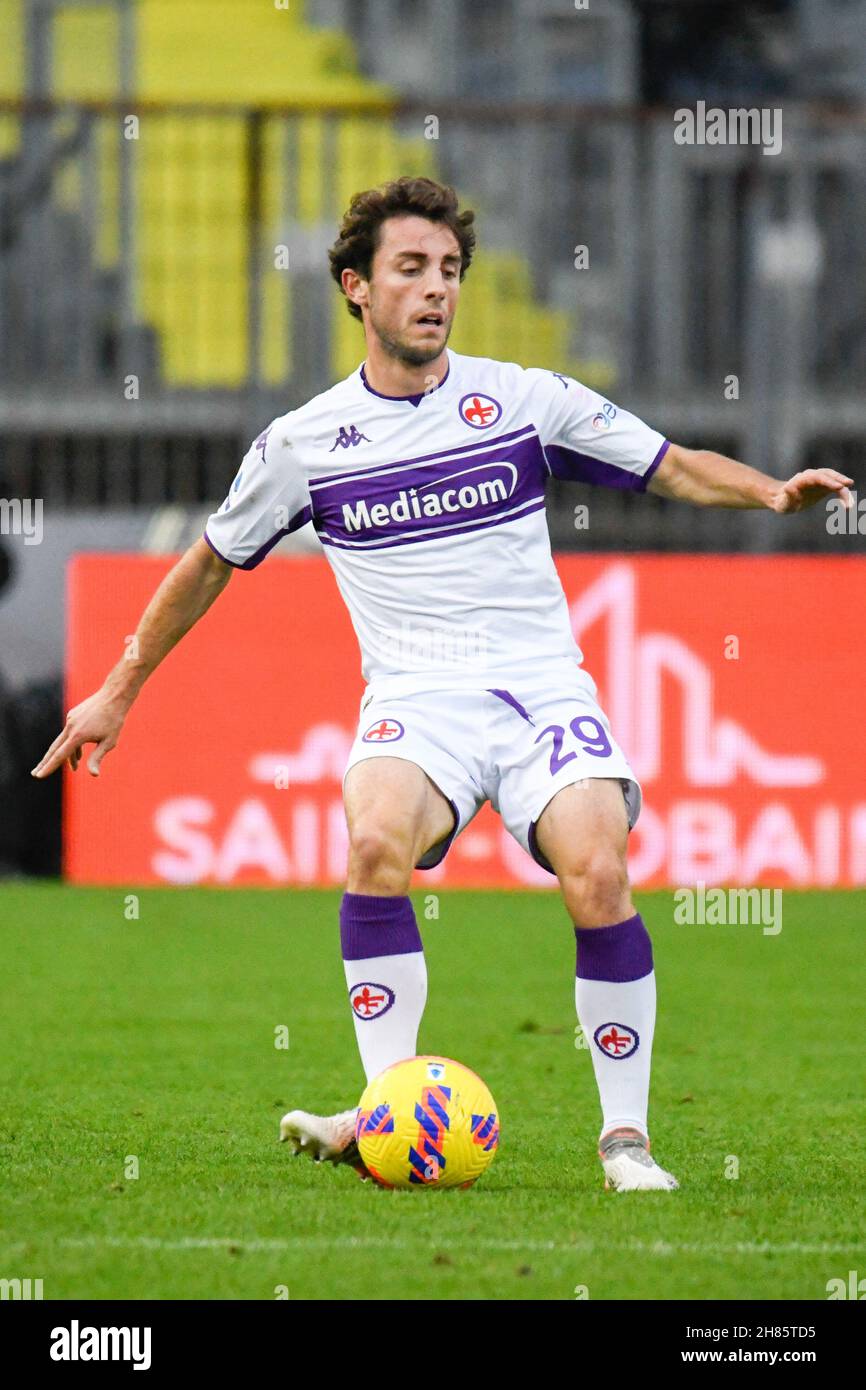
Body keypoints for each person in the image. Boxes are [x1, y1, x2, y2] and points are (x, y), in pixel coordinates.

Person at [33, 176, 852, 1191]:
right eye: (410, 269)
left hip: (540, 692)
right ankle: (389, 1118)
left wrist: (768, 490)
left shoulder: (522, 400)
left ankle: (624, 1140)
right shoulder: (303, 444)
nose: (435, 289)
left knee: (595, 869)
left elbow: (669, 463)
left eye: (450, 270)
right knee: (375, 841)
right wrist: (119, 689)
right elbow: (205, 562)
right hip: (415, 701)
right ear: (354, 288)